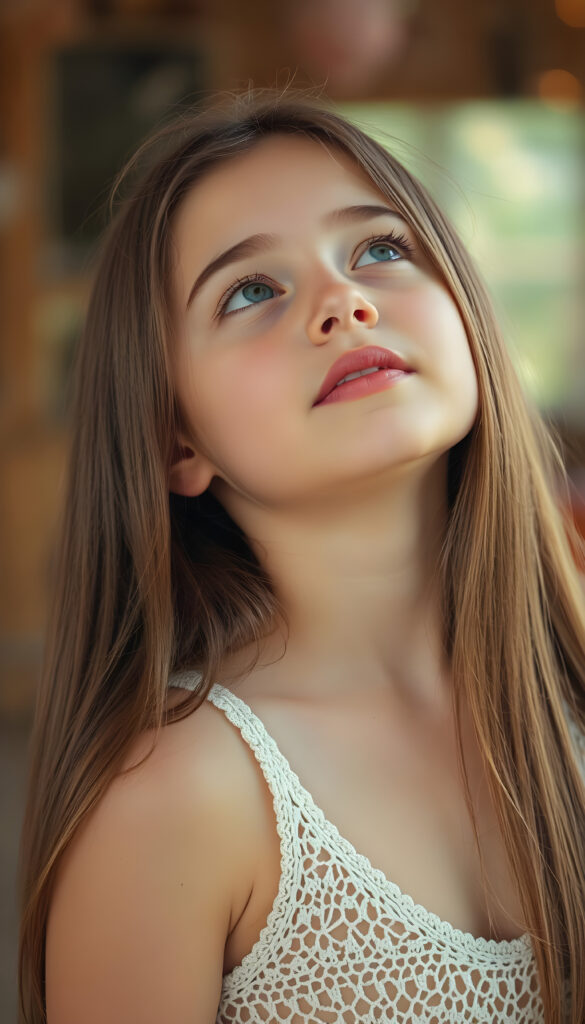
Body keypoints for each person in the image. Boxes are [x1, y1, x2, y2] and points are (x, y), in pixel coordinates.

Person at [18, 91, 585, 1024]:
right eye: (250, 291)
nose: (342, 300)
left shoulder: (564, 690)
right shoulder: (172, 798)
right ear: (176, 441)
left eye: (379, 249)